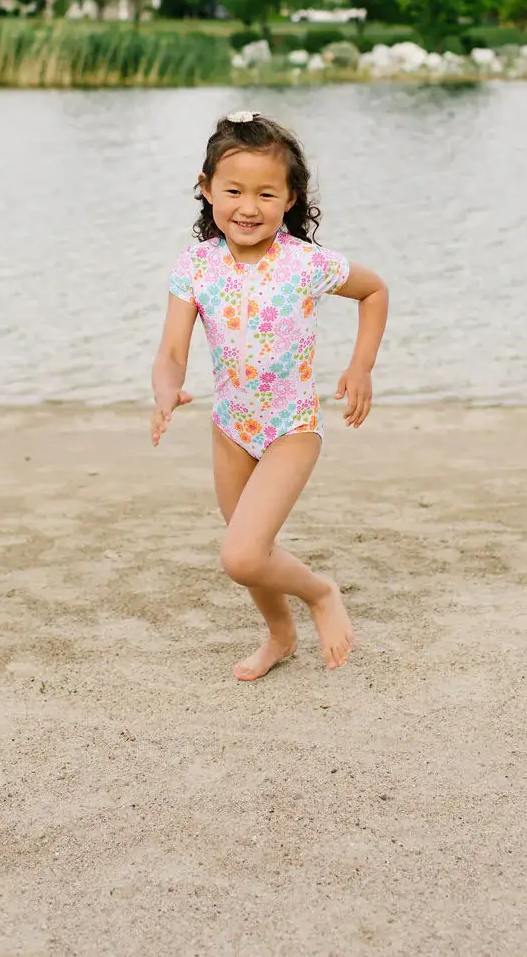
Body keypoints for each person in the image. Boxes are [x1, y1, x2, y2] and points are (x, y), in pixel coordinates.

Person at [150, 110, 389, 681]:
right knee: (250, 554)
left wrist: (361, 367)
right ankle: (280, 637)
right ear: (206, 190)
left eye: (265, 193)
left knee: (241, 556)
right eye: (232, 190)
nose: (248, 206)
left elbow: (374, 290)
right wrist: (166, 387)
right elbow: (173, 350)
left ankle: (321, 592)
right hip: (231, 427)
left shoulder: (305, 263)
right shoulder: (196, 266)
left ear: (290, 198)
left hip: (291, 428)